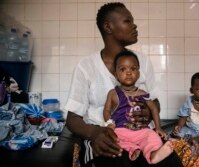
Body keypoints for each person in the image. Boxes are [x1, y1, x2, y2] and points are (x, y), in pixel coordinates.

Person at [65, 2, 183, 167]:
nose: (135, 26)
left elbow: (154, 101)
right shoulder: (86, 67)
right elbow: (72, 119)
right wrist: (95, 133)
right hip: (109, 138)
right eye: (128, 21)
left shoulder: (143, 61)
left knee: (171, 163)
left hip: (143, 135)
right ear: (108, 27)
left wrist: (146, 114)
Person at [103, 50, 173, 164]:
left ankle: (153, 154)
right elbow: (106, 110)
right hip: (121, 130)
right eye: (123, 69)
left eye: (133, 69)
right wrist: (109, 123)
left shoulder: (142, 93)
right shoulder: (113, 93)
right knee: (112, 138)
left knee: (152, 136)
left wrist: (158, 127)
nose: (129, 72)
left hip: (141, 131)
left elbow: (154, 108)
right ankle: (132, 149)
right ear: (116, 75)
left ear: (138, 74)